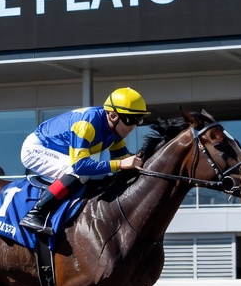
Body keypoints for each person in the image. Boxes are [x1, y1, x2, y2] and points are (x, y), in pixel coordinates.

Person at [17, 87, 148, 236]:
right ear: (112, 115)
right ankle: (35, 213)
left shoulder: (115, 130)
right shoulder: (87, 124)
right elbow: (80, 166)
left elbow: (122, 158)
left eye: (139, 119)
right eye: (130, 119)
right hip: (36, 149)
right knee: (77, 172)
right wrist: (119, 164)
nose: (134, 125)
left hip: (59, 150)